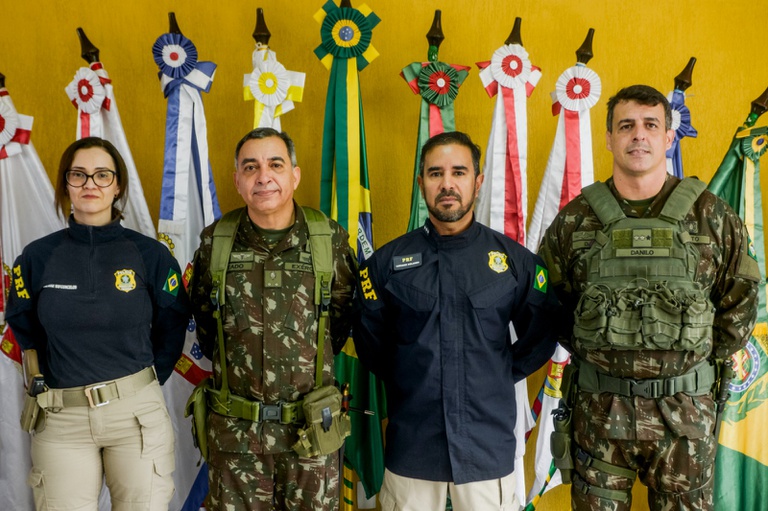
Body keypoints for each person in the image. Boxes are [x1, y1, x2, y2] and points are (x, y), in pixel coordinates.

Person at [538, 84, 761, 510]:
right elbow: (550, 302)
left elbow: (742, 298)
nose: (638, 135)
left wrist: (690, 357)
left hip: (685, 422)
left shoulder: (712, 216)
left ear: (668, 137)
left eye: (650, 125)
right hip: (599, 418)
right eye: (626, 126)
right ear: (609, 138)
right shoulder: (575, 219)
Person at [353, 131, 560, 510]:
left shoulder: (515, 263)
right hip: (413, 450)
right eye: (435, 173)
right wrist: (410, 374)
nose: (447, 184)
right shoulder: (385, 265)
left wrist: (496, 370)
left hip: (486, 452)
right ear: (421, 183)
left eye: (459, 172)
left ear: (477, 182)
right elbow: (371, 346)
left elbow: (542, 333)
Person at [5, 136, 189, 510]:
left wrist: (134, 385)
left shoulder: (150, 255)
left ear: (118, 185)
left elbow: (172, 326)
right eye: (79, 175)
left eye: (102, 175)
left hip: (136, 416)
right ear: (65, 183)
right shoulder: (36, 258)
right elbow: (24, 326)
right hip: (61, 421)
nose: (90, 184)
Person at [187, 127, 356, 510]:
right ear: (237, 180)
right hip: (236, 440)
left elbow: (340, 325)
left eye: (275, 165)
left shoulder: (328, 240)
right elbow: (207, 324)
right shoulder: (216, 242)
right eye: (251, 167)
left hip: (311, 436)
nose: (263, 176)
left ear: (294, 175)